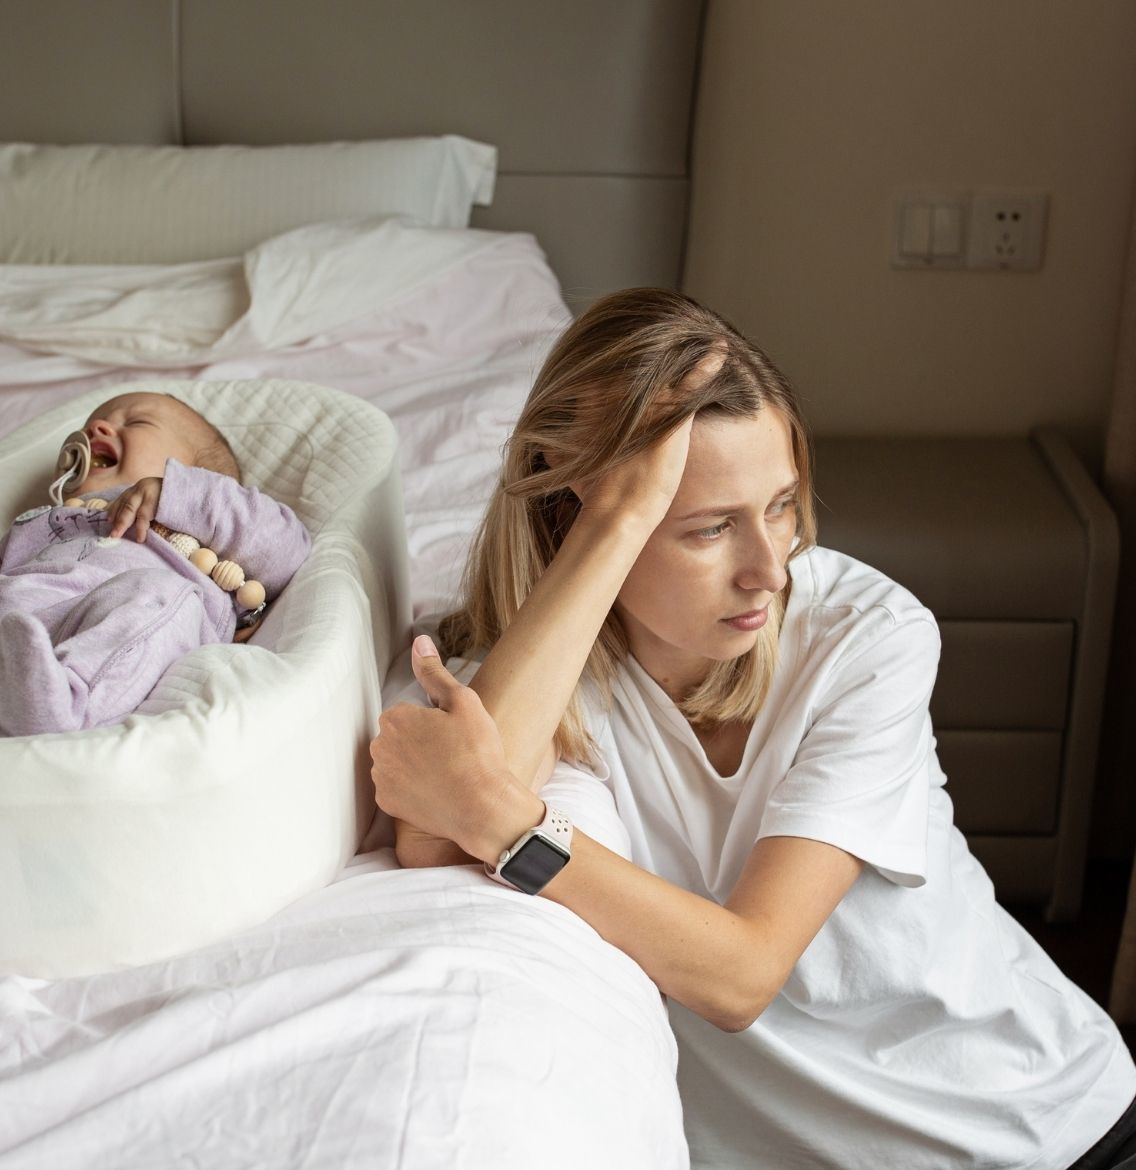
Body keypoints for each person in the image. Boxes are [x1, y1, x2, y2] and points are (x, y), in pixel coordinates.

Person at [369, 289, 1136, 1168]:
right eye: (708, 528)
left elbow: (741, 974)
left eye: (780, 505)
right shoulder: (522, 673)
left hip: (1040, 1131)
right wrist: (616, 519)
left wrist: (509, 825)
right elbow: (434, 836)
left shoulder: (864, 635)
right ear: (571, 514)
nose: (769, 569)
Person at [0, 391, 310, 736]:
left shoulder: (201, 524)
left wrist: (177, 494)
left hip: (90, 637)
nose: (97, 428)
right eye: (93, 423)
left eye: (135, 424)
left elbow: (287, 549)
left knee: (158, 597)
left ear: (197, 474)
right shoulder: (40, 521)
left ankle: (63, 703)